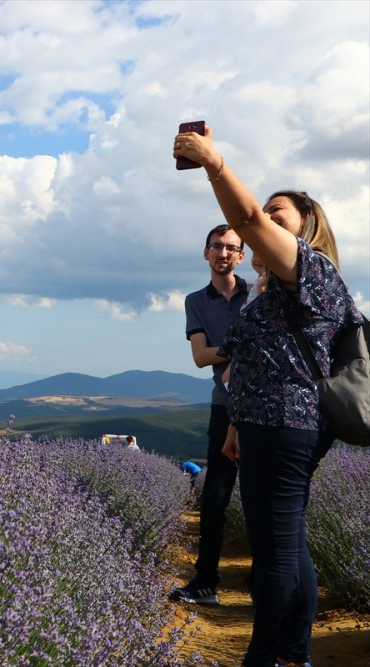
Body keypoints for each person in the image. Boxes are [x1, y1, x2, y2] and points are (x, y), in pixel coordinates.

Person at [174, 127, 364, 667]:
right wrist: (235, 425)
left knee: (275, 551)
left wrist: (214, 163)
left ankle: (264, 657)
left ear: (307, 228)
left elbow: (248, 220)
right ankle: (293, 655)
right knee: (288, 543)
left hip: (286, 424)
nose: (266, 216)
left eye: (280, 213)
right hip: (263, 424)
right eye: (270, 211)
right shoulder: (269, 294)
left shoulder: (311, 271)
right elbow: (246, 364)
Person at [171, 223, 249, 606]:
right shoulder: (195, 301)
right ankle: (205, 583)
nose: (223, 253)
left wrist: (226, 349)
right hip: (224, 406)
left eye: (230, 248)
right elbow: (201, 358)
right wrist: (247, 347)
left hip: (262, 407)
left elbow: (210, 351)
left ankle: (265, 582)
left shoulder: (258, 293)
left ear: (241, 255)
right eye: (216, 246)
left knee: (264, 499)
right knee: (215, 498)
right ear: (206, 253)